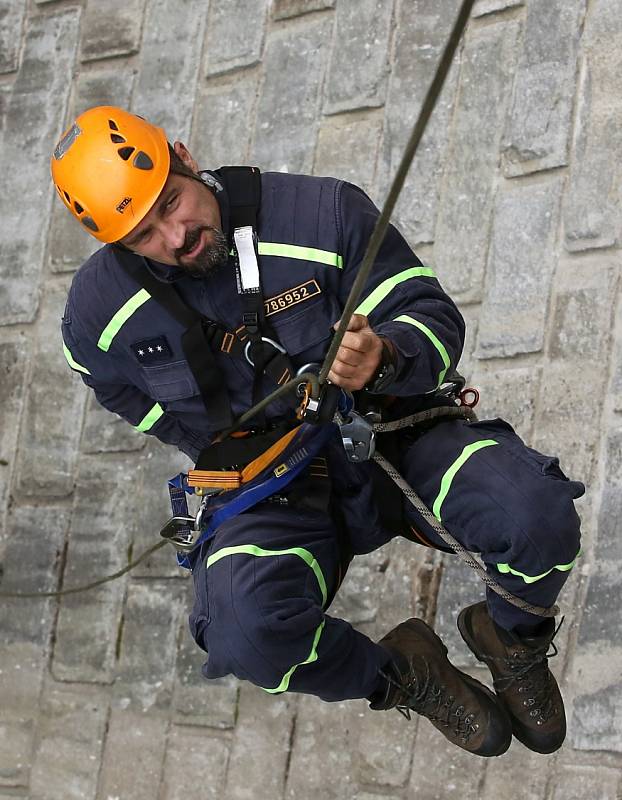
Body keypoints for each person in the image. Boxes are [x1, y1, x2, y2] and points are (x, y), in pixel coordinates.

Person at [53, 106, 584, 757]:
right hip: (265, 484)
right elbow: (105, 380)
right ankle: (402, 674)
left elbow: (431, 315)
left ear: (185, 156)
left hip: (390, 435)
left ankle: (512, 637)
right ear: (116, 245)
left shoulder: (320, 213)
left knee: (538, 516)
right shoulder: (97, 312)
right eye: (143, 235)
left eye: (172, 201)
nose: (175, 236)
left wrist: (384, 355)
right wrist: (200, 441)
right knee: (245, 637)